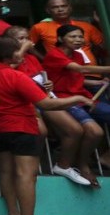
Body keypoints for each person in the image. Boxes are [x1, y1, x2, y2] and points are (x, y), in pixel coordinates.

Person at [0, 36, 94, 215]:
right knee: (27, 175)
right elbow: (46, 104)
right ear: (11, 54)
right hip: (21, 127)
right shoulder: (15, 75)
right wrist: (80, 99)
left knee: (7, 172)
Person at [3, 25, 91, 187]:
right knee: (39, 130)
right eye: (21, 39)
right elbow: (6, 70)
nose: (26, 42)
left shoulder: (32, 58)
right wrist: (22, 49)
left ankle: (63, 166)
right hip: (22, 101)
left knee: (74, 130)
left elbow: (41, 77)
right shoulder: (4, 56)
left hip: (42, 96)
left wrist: (47, 83)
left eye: (27, 38)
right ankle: (29, 167)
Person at [41, 24, 110, 187]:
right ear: (60, 39)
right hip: (64, 99)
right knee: (95, 132)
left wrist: (96, 81)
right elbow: (79, 69)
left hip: (83, 98)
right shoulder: (54, 54)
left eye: (80, 37)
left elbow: (75, 76)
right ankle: (82, 164)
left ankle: (103, 157)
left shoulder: (78, 55)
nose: (78, 40)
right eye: (73, 36)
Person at [29, 0, 104, 64]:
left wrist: (100, 23)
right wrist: (45, 59)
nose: (60, 9)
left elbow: (104, 46)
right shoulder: (39, 27)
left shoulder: (86, 26)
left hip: (92, 72)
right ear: (48, 10)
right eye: (55, 7)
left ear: (70, 8)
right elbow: (28, 46)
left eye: (64, 6)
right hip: (62, 72)